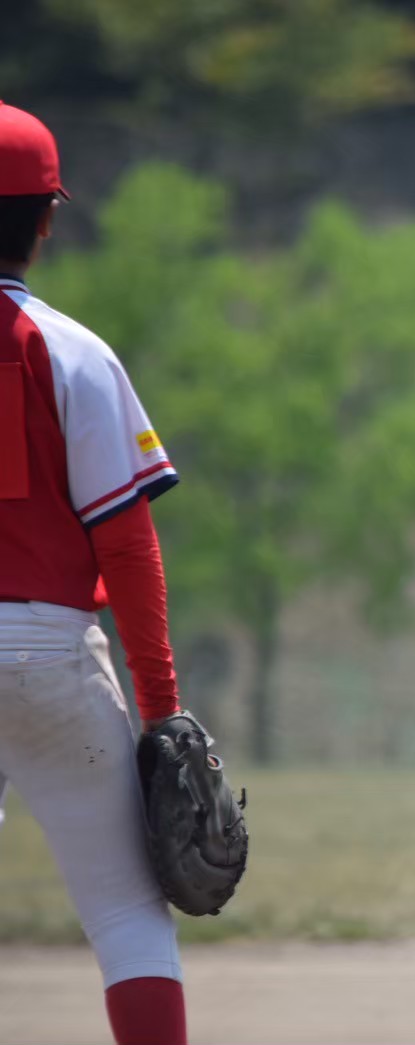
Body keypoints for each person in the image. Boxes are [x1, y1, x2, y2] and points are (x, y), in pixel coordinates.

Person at [0, 99, 188, 1045]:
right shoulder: (73, 351)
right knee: (125, 913)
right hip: (48, 651)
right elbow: (127, 547)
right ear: (46, 219)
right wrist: (162, 710)